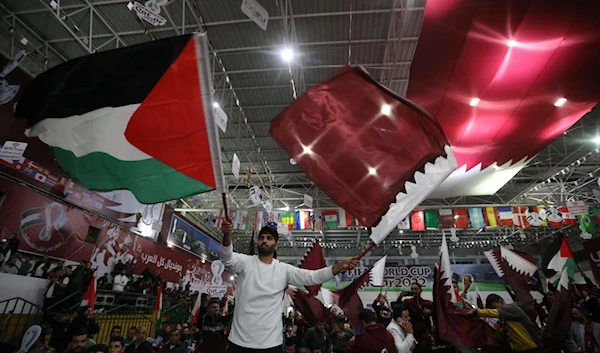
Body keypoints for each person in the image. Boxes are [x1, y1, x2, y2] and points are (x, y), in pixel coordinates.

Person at [219, 221, 359, 352]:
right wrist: (227, 235)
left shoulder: (284, 270)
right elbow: (227, 258)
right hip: (239, 342)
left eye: (269, 238)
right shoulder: (246, 262)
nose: (265, 240)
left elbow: (313, 277)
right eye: (262, 237)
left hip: (270, 344)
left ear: (276, 245)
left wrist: (340, 266)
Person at [464, 294, 542, 353]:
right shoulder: (505, 319)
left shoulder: (512, 308)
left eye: (495, 308)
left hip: (532, 348)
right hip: (520, 349)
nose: (495, 310)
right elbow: (503, 336)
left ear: (501, 302)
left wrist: (474, 312)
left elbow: (492, 312)